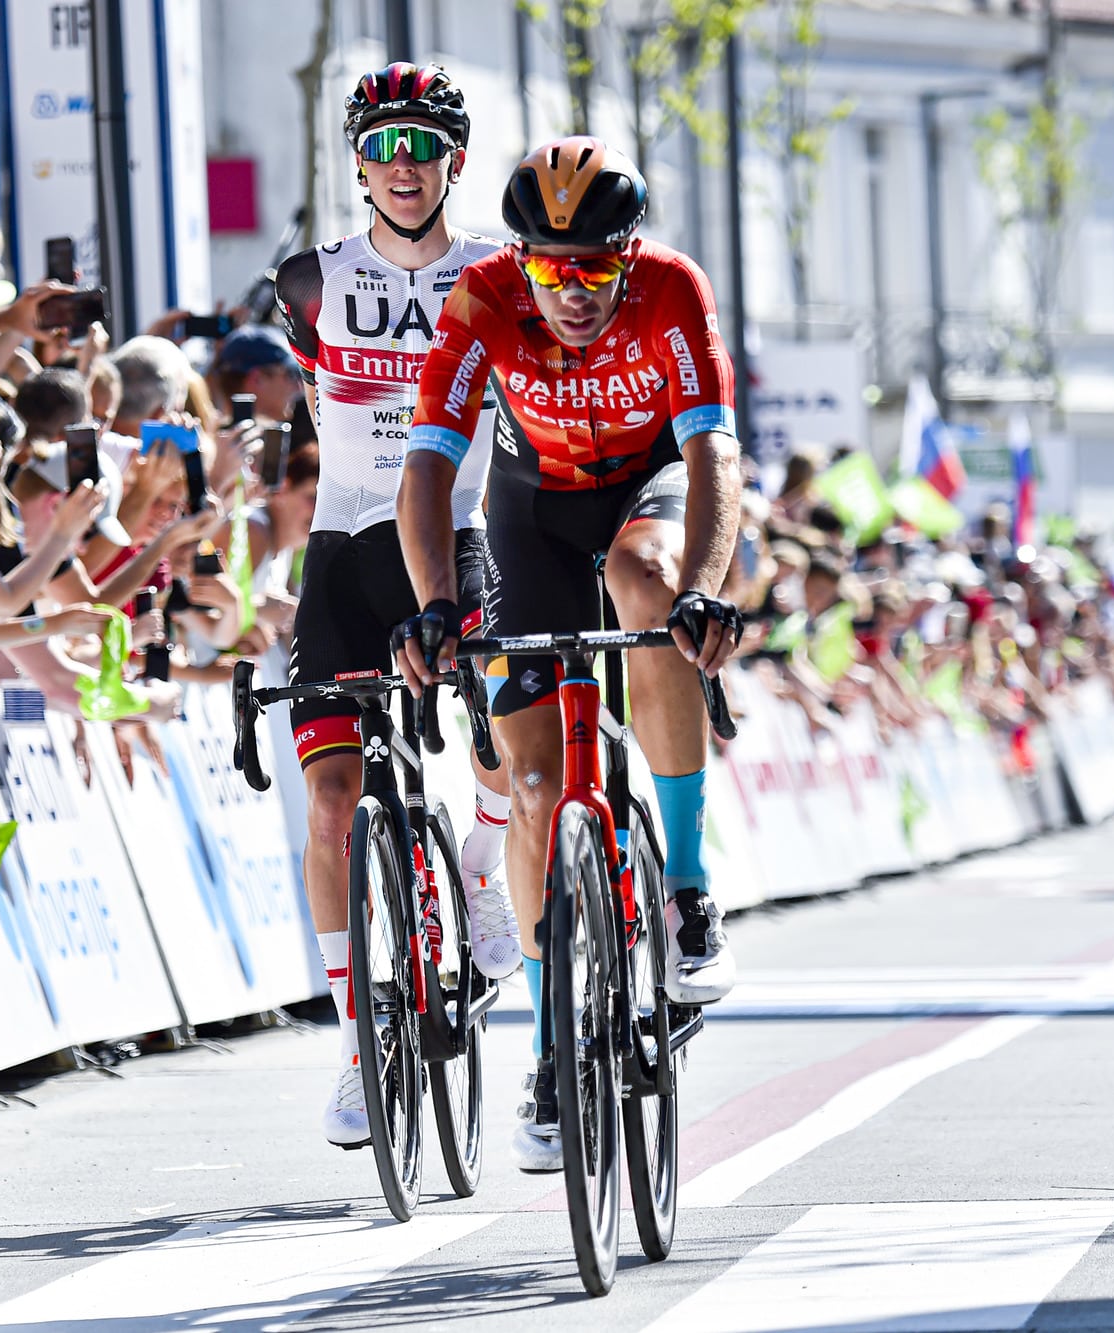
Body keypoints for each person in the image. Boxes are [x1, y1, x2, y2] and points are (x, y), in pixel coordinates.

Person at [395, 136, 745, 1171]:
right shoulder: (483, 298)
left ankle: (686, 889)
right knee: (535, 785)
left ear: (626, 258)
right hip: (534, 511)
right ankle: (553, 1049)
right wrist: (433, 604)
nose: (572, 293)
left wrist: (704, 585)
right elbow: (428, 465)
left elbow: (712, 450)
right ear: (522, 261)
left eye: (593, 270)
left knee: (648, 585)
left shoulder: (672, 288)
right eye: (552, 271)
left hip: (647, 489)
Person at [272, 60, 519, 1150]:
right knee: (330, 804)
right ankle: (353, 1046)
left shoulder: (498, 271)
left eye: (422, 147)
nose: (402, 165)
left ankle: (480, 872)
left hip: (458, 535)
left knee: (505, 723)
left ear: (453, 162)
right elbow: (313, 406)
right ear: (359, 165)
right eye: (382, 147)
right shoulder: (307, 281)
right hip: (343, 548)